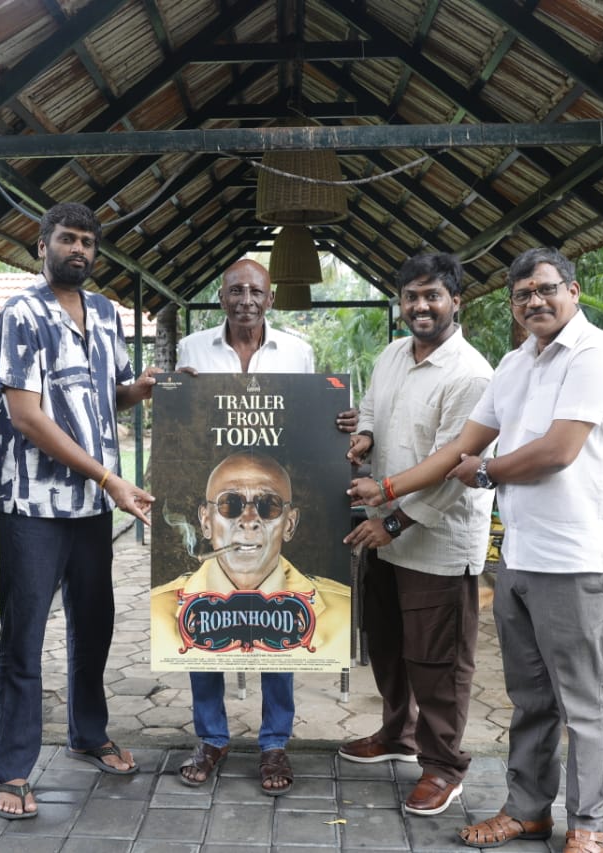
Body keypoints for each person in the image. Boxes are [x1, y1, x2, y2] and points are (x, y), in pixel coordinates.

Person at [348, 247, 603, 853]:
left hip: (579, 557)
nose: (535, 301)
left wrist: (484, 472)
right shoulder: (515, 363)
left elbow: (557, 451)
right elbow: (462, 446)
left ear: (573, 291)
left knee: (583, 703)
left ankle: (588, 825)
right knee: (529, 698)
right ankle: (528, 811)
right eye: (523, 293)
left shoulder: (596, 353)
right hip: (521, 555)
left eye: (546, 289)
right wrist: (391, 488)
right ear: (511, 305)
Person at [0, 202, 157, 820]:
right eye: (68, 239)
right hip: (34, 504)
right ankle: (13, 767)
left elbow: (108, 397)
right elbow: (27, 415)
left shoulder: (107, 313)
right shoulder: (21, 314)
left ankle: (88, 733)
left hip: (91, 505)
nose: (78, 249)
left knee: (95, 623)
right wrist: (111, 478)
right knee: (25, 635)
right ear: (43, 245)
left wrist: (141, 390)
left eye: (87, 241)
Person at [165, 257, 354, 796]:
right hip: (216, 486)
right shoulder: (193, 349)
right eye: (236, 291)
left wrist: (338, 420)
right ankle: (212, 737)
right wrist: (174, 394)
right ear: (221, 297)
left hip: (273, 488)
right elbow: (181, 421)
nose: (246, 300)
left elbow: (307, 420)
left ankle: (274, 743)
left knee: (279, 624)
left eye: (255, 292)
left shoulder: (298, 351)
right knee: (203, 620)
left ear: (270, 299)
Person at [340, 253, 494, 817]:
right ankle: (397, 734)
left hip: (435, 539)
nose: (421, 306)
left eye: (433, 295)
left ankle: (444, 766)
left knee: (437, 660)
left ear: (456, 301)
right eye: (411, 296)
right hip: (383, 531)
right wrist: (364, 436)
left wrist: (394, 522)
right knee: (387, 645)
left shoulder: (471, 374)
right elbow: (373, 412)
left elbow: (457, 468)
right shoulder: (392, 355)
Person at [150, 451, 351, 667]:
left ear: (289, 525)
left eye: (269, 505)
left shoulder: (341, 611)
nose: (248, 521)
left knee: (279, 682)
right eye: (229, 503)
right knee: (205, 682)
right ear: (206, 522)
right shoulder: (158, 612)